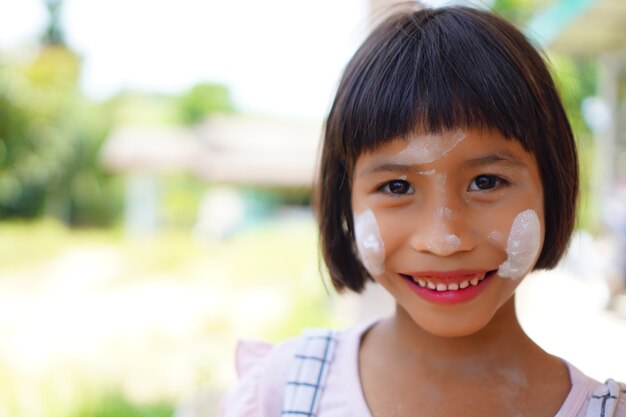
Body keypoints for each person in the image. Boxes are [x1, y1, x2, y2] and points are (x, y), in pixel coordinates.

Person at [218, 4, 626, 417]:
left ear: (552, 189)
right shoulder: (283, 390)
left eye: (486, 182)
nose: (444, 240)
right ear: (346, 202)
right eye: (396, 187)